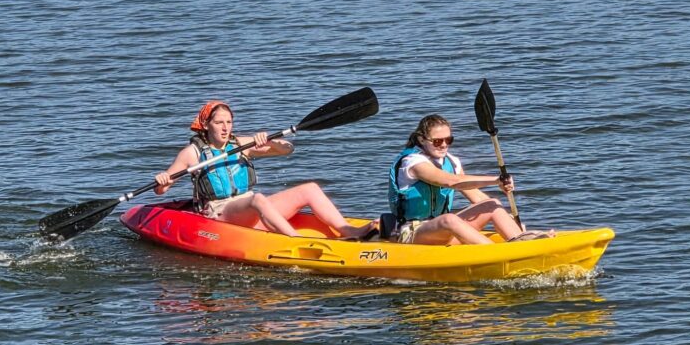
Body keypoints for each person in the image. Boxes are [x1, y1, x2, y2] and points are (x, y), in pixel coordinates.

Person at [155, 99, 375, 239]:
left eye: (229, 122)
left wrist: (269, 142)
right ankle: (296, 241)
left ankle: (346, 229)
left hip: (250, 208)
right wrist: (163, 180)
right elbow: (161, 191)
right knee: (258, 198)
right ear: (206, 125)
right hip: (221, 213)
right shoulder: (192, 153)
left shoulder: (241, 144)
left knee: (310, 188)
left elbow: (287, 150)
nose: (225, 128)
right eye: (219, 123)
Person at [388, 114, 548, 245]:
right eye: (438, 141)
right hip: (411, 233)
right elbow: (449, 181)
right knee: (449, 219)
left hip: (442, 232)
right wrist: (495, 180)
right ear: (422, 140)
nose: (444, 145)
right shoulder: (412, 162)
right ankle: (498, 255)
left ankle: (521, 241)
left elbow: (477, 198)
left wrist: (507, 217)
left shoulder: (452, 162)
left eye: (448, 140)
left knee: (492, 204)